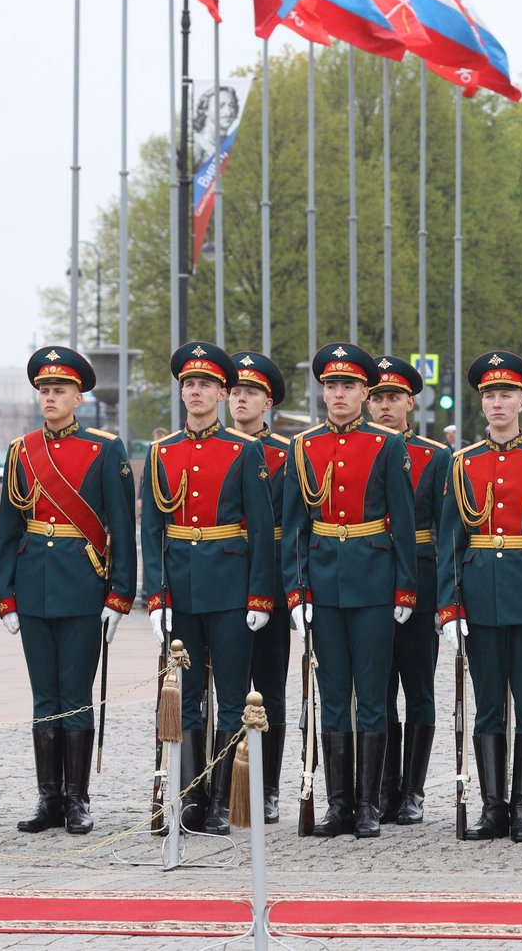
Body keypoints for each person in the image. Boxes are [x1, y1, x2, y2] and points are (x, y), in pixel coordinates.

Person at [0, 346, 138, 836]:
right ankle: (48, 798)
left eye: (60, 390)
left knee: (75, 695)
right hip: (35, 587)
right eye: (45, 390)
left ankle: (77, 799)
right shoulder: (21, 450)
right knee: (44, 696)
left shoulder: (105, 448)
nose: (50, 398)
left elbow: (121, 525)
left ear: (79, 397)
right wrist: (6, 595)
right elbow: (8, 529)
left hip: (82, 586)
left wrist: (120, 595)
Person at [141, 341, 278, 835]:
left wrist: (260, 595)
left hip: (230, 588)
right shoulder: (162, 452)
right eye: (188, 385)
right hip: (181, 590)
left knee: (234, 694)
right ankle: (189, 796)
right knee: (187, 696)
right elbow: (151, 533)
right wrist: (155, 595)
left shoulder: (245, 450)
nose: (195, 392)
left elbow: (262, 530)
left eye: (204, 385)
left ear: (221, 393)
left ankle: (222, 798)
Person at [284, 342, 416, 838]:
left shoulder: (386, 445)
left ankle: (367, 804)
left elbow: (402, 524)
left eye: (348, 386)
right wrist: (296, 593)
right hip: (323, 583)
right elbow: (295, 529)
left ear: (364, 392)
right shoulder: (304, 446)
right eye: (331, 386)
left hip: (374, 582)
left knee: (373, 698)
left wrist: (405, 589)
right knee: (332, 696)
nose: (338, 394)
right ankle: (338, 804)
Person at [437, 351, 522, 842]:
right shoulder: (462, 463)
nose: (497, 403)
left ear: (521, 402)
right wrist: (449, 604)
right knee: (489, 705)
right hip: (480, 598)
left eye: (507, 395)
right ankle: (493, 806)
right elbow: (450, 540)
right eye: (490, 395)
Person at [365, 356, 450, 826]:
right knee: (376, 689)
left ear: (410, 402)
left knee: (417, 687)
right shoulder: (363, 447)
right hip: (374, 576)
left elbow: (446, 528)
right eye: (377, 397)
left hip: (419, 576)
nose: (383, 406)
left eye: (393, 397)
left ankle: (412, 790)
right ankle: (381, 786)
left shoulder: (434, 455)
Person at [227, 348, 293, 822]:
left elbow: (292, 529)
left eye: (251, 393)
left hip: (269, 581)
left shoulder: (287, 455)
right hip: (225, 580)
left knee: (268, 689)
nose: (241, 400)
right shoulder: (215, 448)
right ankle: (225, 785)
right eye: (235, 392)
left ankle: (267, 787)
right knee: (224, 692)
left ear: (267, 402)